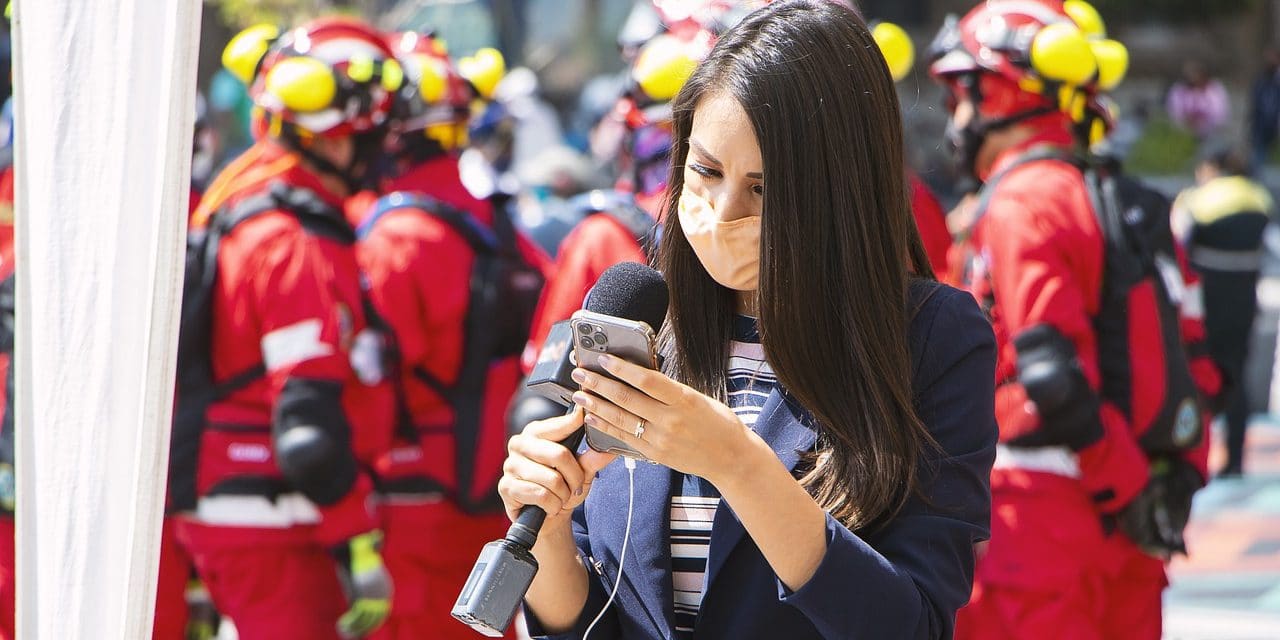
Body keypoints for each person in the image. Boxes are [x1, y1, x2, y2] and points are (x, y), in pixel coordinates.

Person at [502, 2, 998, 638]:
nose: (722, 210)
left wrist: (738, 464)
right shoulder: (645, 323)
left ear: (839, 192)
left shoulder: (933, 339)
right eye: (705, 171)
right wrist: (543, 525)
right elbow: (589, 617)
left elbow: (911, 623)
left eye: (763, 189)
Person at [930, 2, 1216, 638]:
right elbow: (1200, 360)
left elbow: (1050, 372)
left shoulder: (1022, 202)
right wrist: (1160, 490)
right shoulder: (1130, 201)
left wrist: (1125, 485)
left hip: (1035, 530)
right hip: (1135, 528)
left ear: (1002, 91)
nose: (956, 115)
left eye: (962, 93)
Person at [173, 17, 399, 640]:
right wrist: (358, 541)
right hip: (268, 513)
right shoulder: (290, 241)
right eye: (373, 134)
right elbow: (306, 426)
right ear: (331, 140)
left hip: (256, 508)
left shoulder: (251, 204)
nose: (382, 150)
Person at [350, 30, 551, 640]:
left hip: (411, 503)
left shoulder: (394, 238)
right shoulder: (498, 222)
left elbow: (368, 381)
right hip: (492, 490)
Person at [1174, 146, 1273, 477]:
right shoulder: (1259, 198)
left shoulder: (1197, 200)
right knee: (1236, 378)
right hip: (1244, 301)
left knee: (1195, 374)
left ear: (1211, 168)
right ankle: (1234, 461)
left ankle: (1191, 456)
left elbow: (1177, 246)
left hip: (1201, 304)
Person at [1167, 60, 1230, 142]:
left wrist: (1203, 124)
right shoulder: (1178, 89)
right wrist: (1187, 122)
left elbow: (1220, 114)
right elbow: (1174, 112)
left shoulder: (1215, 88)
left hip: (1211, 134)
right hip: (1183, 134)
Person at [1249, 48, 1280, 172]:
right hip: (1261, 127)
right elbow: (1255, 102)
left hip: (1275, 124)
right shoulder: (1262, 79)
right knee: (1258, 159)